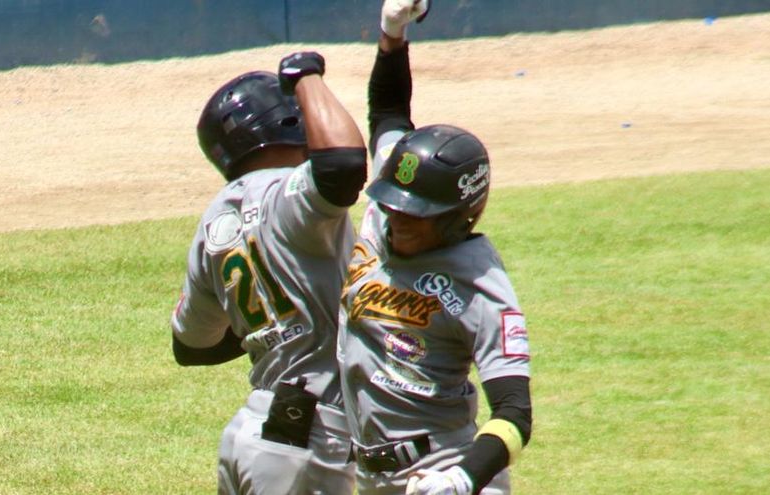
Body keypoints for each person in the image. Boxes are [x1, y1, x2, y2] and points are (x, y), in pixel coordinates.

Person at [337, 1, 533, 494]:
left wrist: (462, 480)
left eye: (416, 214)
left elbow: (515, 414)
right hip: (375, 479)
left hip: (442, 472)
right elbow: (388, 112)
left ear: (457, 216)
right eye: (392, 206)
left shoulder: (480, 283)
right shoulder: (389, 204)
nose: (398, 219)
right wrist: (392, 34)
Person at [170, 51, 367, 494]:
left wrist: (275, 329)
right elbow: (344, 166)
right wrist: (307, 77)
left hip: (251, 434)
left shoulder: (215, 220)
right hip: (307, 441)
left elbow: (191, 344)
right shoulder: (294, 195)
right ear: (289, 121)